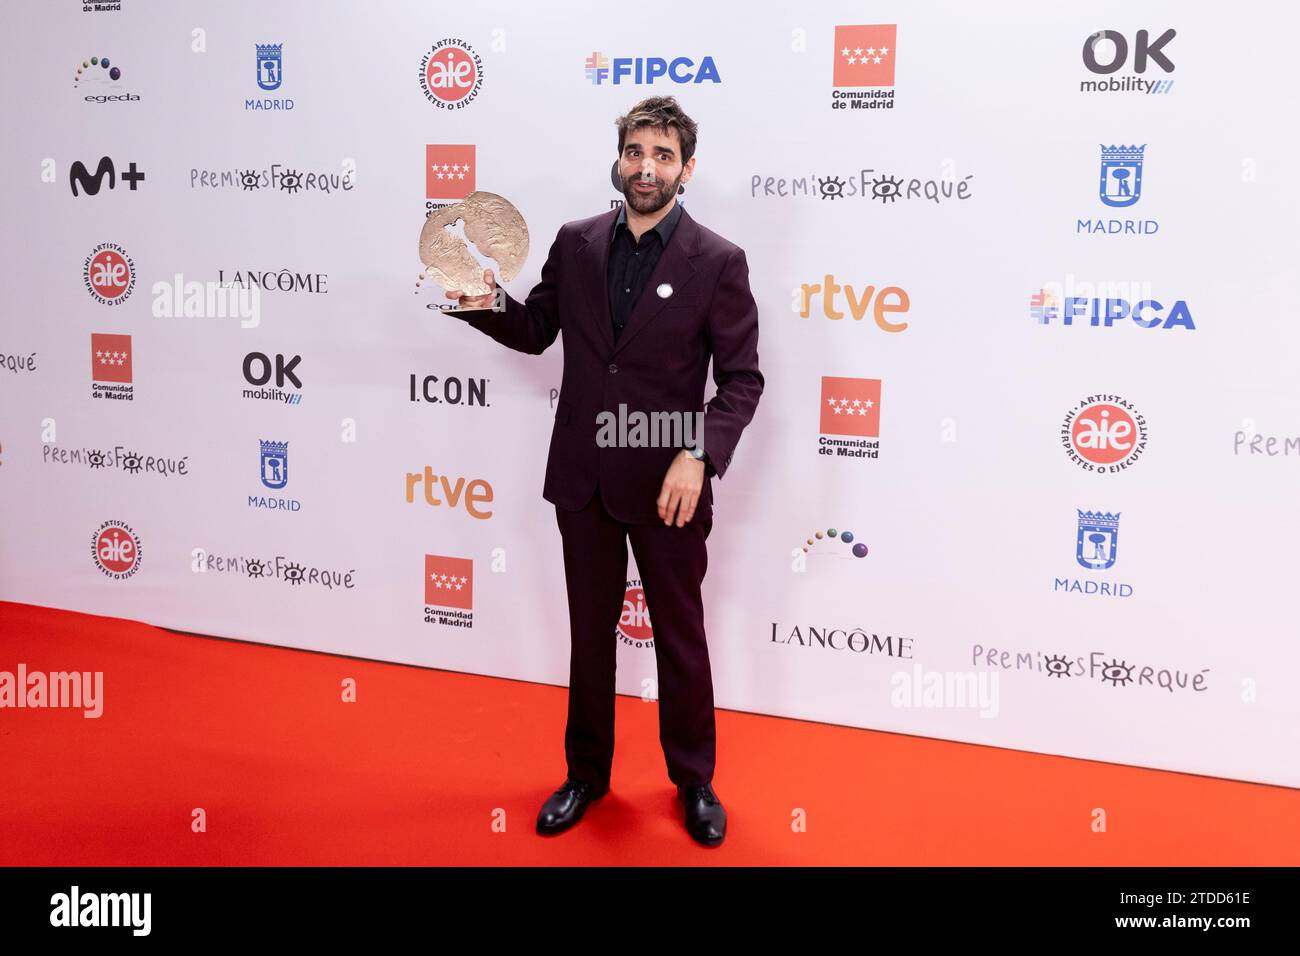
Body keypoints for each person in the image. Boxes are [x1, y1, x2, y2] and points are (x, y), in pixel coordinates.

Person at [443, 96, 763, 847]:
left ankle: (694, 781)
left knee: (680, 636)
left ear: (686, 168)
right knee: (590, 636)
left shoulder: (717, 261)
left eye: (661, 155)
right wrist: (479, 299)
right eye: (634, 152)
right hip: (582, 477)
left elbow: (742, 381)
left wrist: (700, 454)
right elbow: (534, 331)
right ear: (618, 158)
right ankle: (586, 774)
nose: (644, 167)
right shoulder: (577, 242)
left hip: (667, 484)